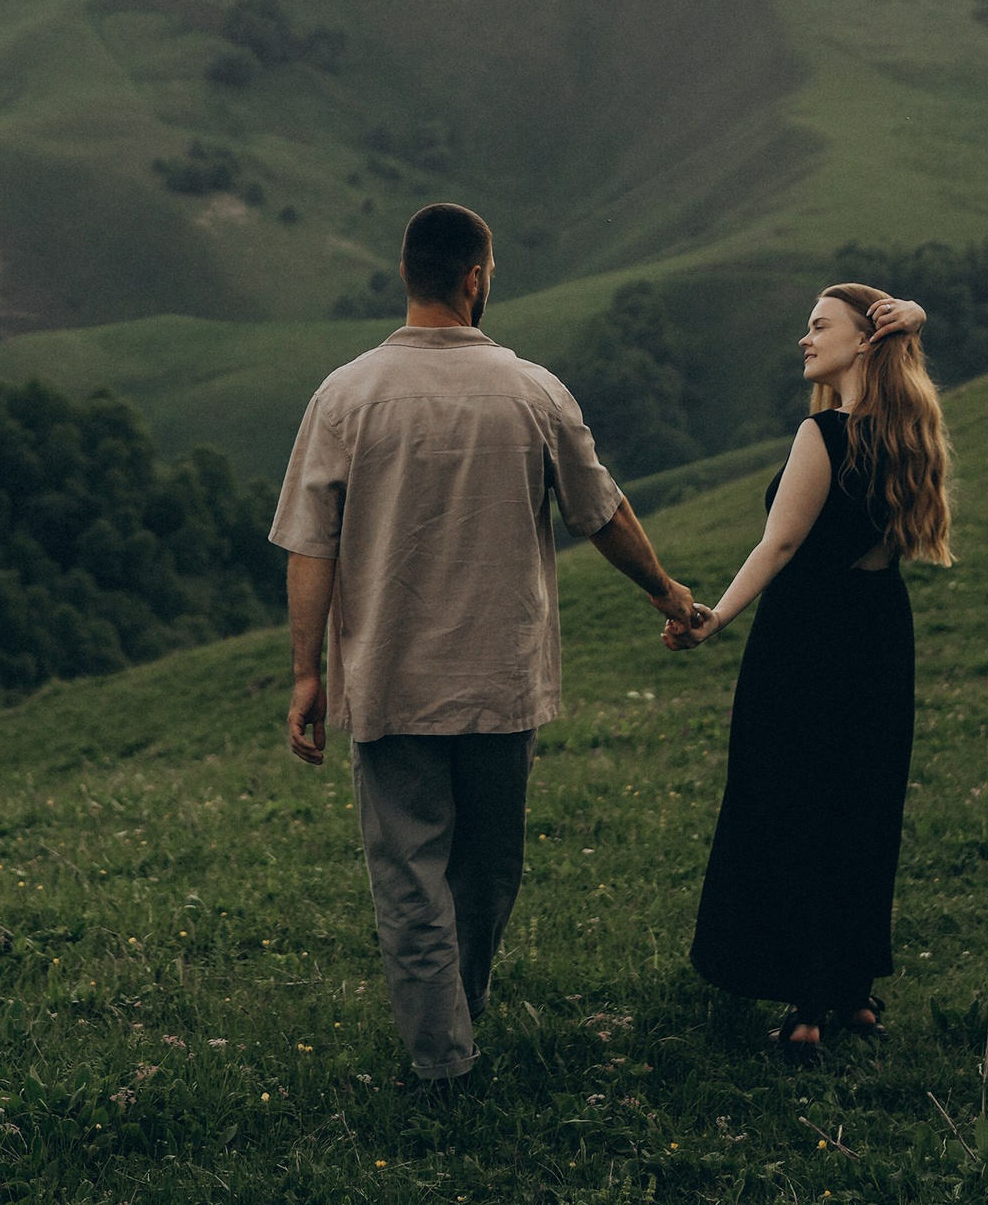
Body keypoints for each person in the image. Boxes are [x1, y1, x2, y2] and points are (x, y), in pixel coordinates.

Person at [270, 200, 701, 1087]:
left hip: (388, 680)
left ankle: (442, 1054)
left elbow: (311, 543)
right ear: (476, 278)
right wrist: (664, 591)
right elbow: (602, 513)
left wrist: (306, 673)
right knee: (487, 871)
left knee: (408, 876)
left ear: (406, 276)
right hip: (500, 682)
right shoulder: (532, 391)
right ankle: (454, 1037)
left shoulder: (345, 394)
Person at [670, 279, 948, 1052]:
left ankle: (804, 1007)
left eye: (819, 325)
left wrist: (716, 615)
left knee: (791, 805)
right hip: (882, 632)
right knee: (861, 805)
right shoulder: (910, 432)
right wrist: (913, 317)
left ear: (864, 341)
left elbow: (781, 544)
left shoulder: (824, 434)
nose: (804, 337)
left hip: (805, 639)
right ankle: (853, 990)